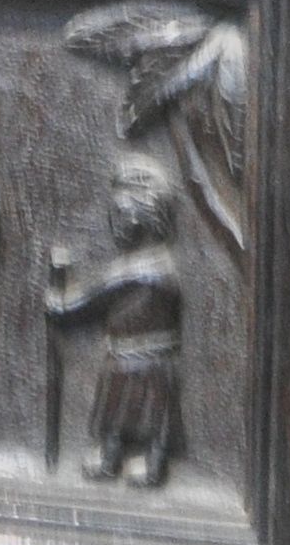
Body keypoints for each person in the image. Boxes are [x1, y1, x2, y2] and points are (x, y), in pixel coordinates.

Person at [46, 158, 186, 487]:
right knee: (125, 413)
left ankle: (145, 462)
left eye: (120, 215)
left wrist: (55, 292)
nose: (115, 224)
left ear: (145, 218)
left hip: (136, 360)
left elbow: (74, 307)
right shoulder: (160, 265)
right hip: (140, 359)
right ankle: (119, 456)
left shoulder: (134, 271)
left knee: (143, 415)